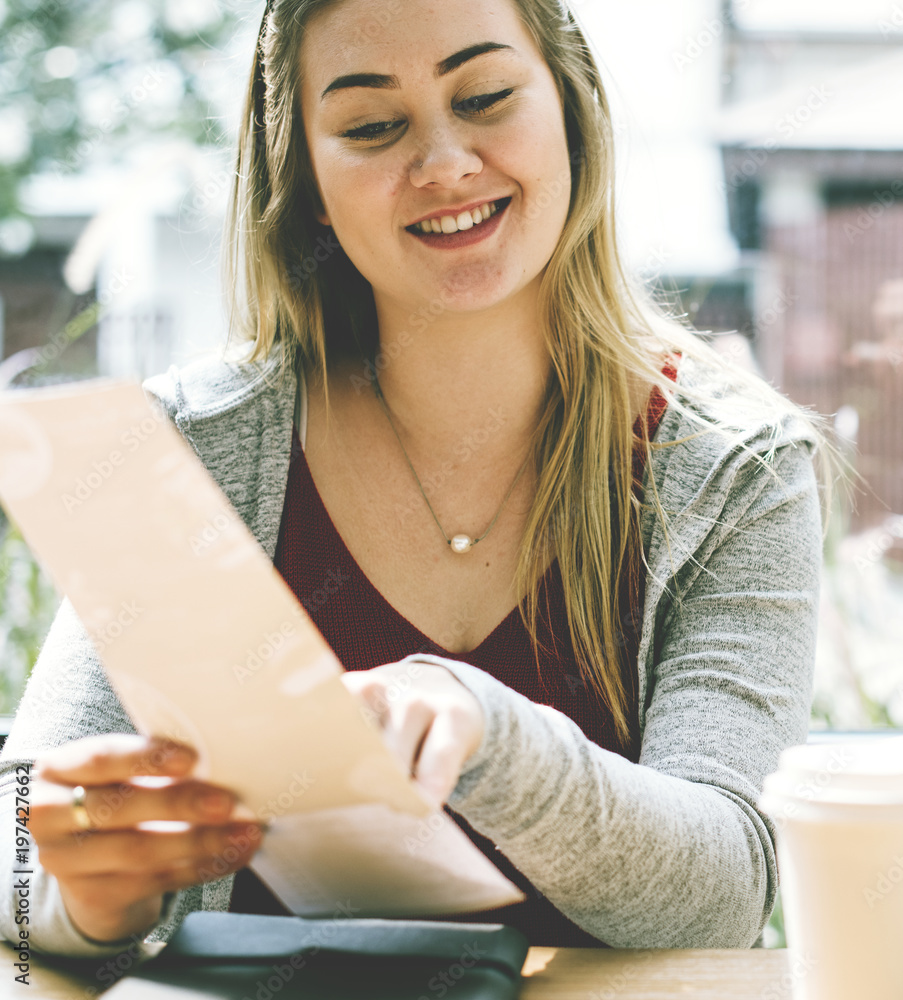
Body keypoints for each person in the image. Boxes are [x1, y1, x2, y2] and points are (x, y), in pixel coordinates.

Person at [0, 0, 832, 958]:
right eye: (369, 127)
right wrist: (85, 898)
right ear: (309, 182)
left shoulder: (736, 468)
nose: (442, 163)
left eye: (482, 97)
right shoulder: (187, 447)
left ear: (570, 109)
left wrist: (491, 736)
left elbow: (723, 895)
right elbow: (24, 831)